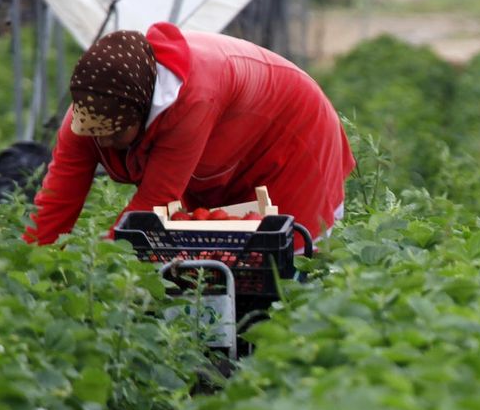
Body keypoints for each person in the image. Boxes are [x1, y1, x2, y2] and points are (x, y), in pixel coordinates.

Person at [23, 23, 352, 245]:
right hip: (229, 145)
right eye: (96, 134)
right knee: (215, 250)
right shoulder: (91, 110)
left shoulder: (192, 101)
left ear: (143, 112)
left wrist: (98, 264)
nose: (102, 142)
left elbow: (152, 205)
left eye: (114, 133)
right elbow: (58, 197)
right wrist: (34, 261)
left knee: (283, 253)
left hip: (290, 137)